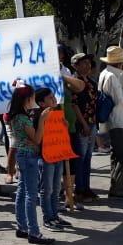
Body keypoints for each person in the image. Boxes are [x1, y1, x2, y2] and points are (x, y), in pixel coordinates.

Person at [7, 87, 54, 245]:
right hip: (28, 155)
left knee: (22, 191)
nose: (34, 101)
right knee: (31, 195)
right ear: (26, 100)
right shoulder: (23, 118)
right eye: (32, 98)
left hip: (23, 154)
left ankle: (22, 227)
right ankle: (34, 232)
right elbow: (37, 139)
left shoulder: (17, 116)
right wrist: (42, 120)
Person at [97, 46, 123, 199]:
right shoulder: (112, 77)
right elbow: (119, 99)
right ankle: (118, 187)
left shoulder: (105, 74)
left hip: (115, 120)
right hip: (119, 120)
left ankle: (116, 184)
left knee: (118, 154)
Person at [35, 88, 71, 230]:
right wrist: (43, 120)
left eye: (53, 97)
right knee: (47, 189)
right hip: (46, 157)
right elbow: (38, 138)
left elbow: (63, 131)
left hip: (58, 155)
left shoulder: (56, 112)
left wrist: (64, 124)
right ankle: (48, 218)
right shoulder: (39, 115)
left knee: (56, 188)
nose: (54, 99)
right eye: (50, 98)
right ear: (41, 103)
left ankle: (55, 215)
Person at [70, 53, 98, 201]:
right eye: (83, 63)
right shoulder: (74, 82)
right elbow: (74, 105)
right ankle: (79, 189)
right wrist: (84, 123)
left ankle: (86, 187)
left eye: (88, 63)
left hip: (92, 122)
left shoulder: (92, 82)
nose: (87, 66)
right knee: (80, 158)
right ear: (75, 65)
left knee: (88, 157)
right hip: (82, 124)